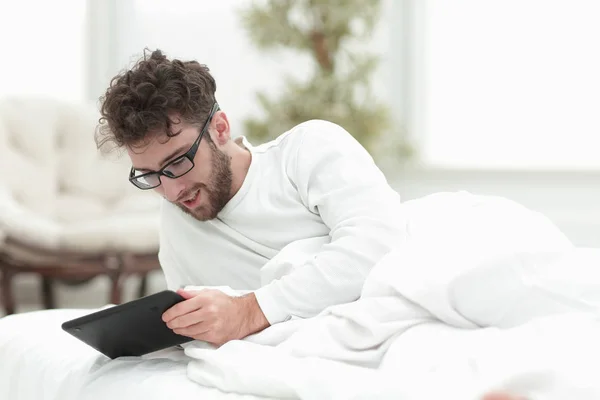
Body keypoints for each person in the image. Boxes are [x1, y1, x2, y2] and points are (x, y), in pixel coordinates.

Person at [95, 49, 406, 347]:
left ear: (220, 129)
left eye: (178, 162)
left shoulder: (307, 150)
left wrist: (251, 311)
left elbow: (379, 243)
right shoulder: (175, 218)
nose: (172, 191)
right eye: (150, 175)